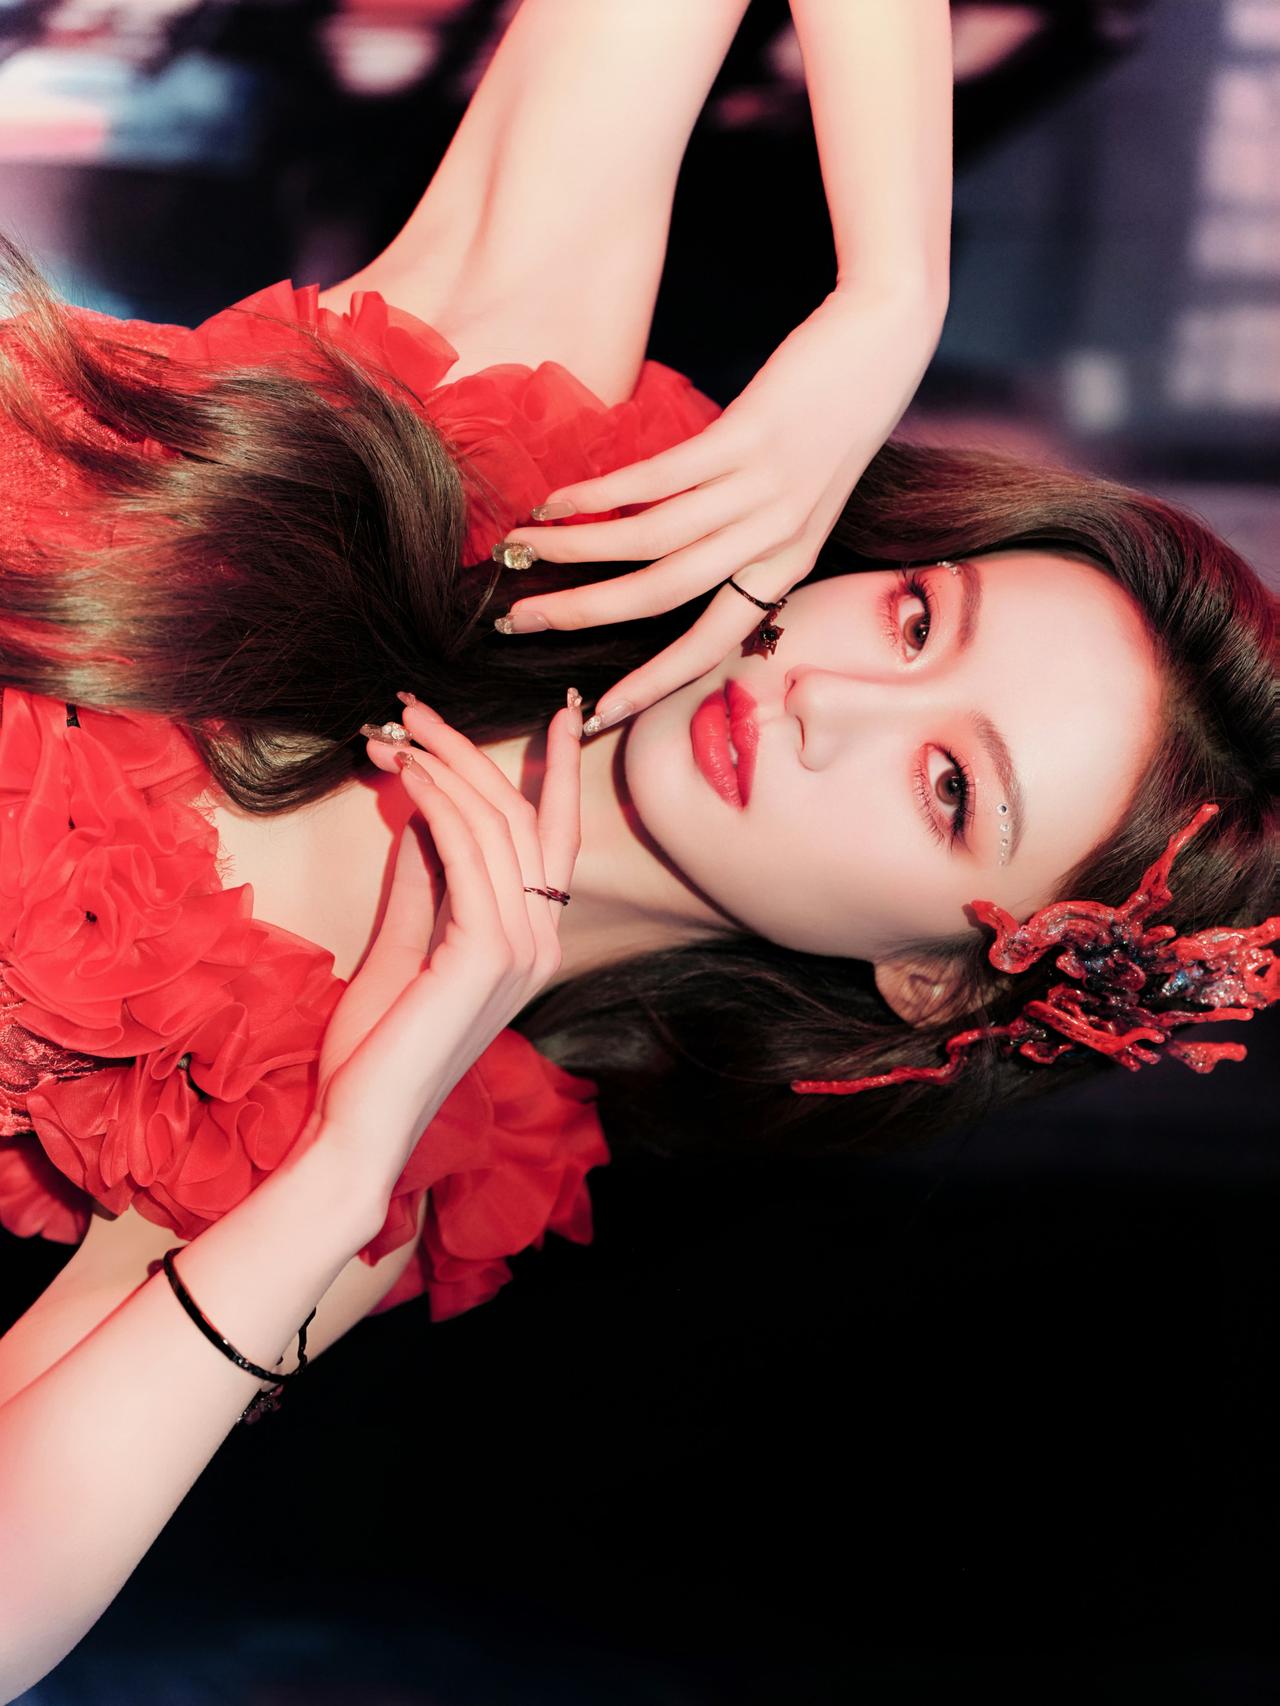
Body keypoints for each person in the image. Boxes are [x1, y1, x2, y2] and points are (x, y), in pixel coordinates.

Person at [0, 0, 1273, 1696]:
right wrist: (891, 293)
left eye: (950, 788)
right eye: (913, 617)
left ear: (930, 979)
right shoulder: (504, 446)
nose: (828, 695)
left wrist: (334, 1178)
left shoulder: (377, 1154)